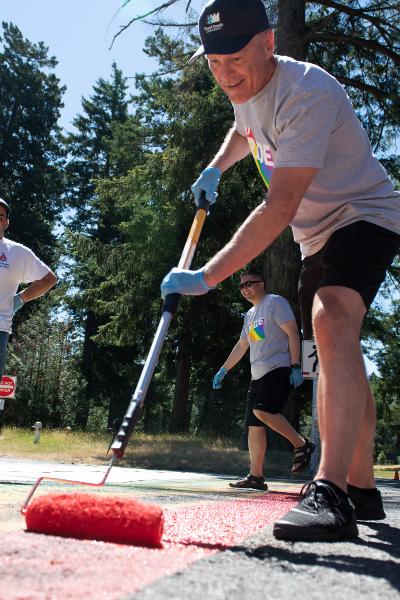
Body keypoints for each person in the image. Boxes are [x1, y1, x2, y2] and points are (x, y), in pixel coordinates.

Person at [161, 0, 400, 542]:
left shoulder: (307, 93)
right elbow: (245, 131)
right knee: (337, 341)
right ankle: (362, 487)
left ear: (269, 43)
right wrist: (215, 167)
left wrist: (206, 277)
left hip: (365, 214)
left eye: (235, 59)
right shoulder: (247, 91)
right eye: (214, 63)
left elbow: (279, 207)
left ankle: (331, 492)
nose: (225, 75)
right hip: (317, 236)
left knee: (332, 315)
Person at [213, 270, 313, 492]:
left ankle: (301, 444)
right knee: (254, 426)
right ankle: (256, 477)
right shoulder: (250, 315)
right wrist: (224, 369)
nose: (245, 288)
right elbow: (242, 345)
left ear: (262, 283)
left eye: (250, 283)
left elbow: (293, 333)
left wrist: (296, 366)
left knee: (262, 412)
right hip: (257, 375)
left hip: (279, 367)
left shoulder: (274, 303)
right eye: (241, 286)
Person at [0, 198, 57, 380]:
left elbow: (49, 279)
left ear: (6, 222)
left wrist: (19, 300)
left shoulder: (16, 252)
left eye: (0, 216)